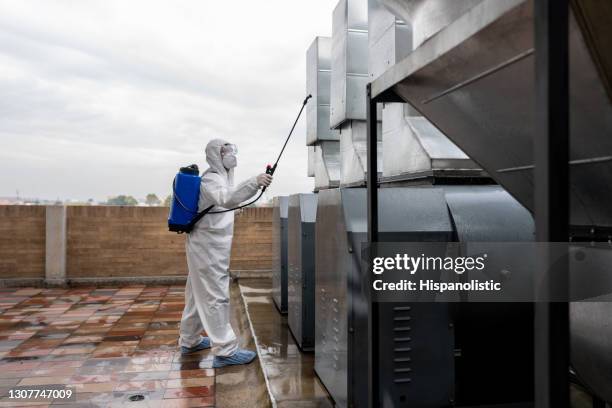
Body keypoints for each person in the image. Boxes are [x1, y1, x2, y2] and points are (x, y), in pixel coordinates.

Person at [178, 138, 272, 368]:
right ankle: (225, 351)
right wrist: (254, 182)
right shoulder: (211, 178)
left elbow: (225, 204)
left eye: (232, 150)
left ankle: (189, 340)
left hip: (208, 246)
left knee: (196, 293)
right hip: (207, 248)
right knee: (216, 295)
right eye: (226, 151)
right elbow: (226, 198)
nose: (231, 154)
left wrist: (253, 186)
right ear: (215, 155)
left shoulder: (221, 179)